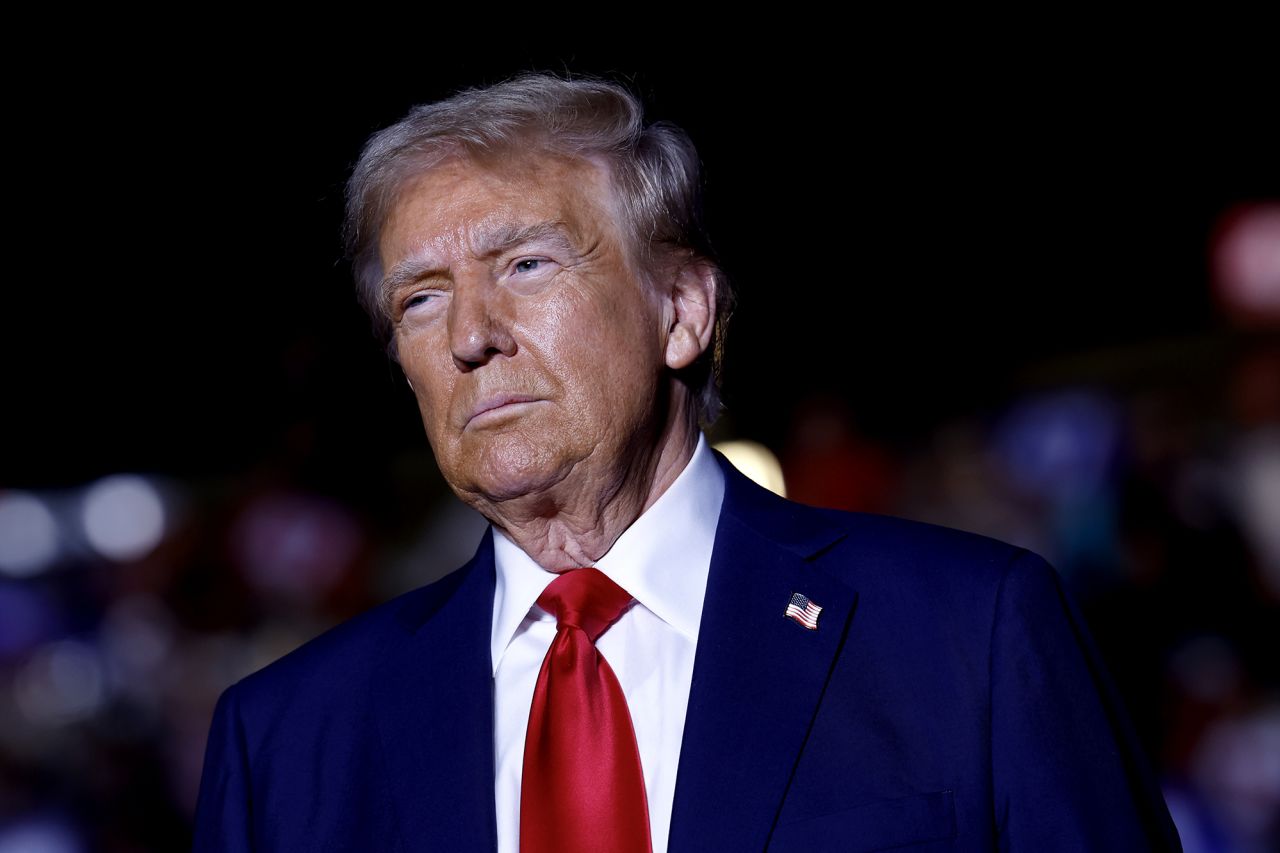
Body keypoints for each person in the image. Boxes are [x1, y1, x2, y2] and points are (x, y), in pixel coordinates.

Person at [193, 73, 1182, 852]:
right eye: (418, 299)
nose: (468, 337)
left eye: (524, 266)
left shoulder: (967, 635)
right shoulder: (286, 741)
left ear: (681, 309)